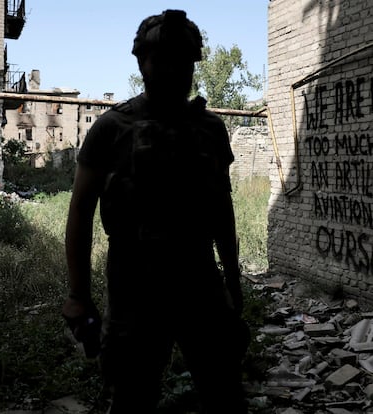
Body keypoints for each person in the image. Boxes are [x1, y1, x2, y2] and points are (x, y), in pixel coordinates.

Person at [62, 9, 249, 414]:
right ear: (141, 62)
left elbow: (221, 207)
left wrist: (232, 279)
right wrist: (77, 296)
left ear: (193, 64)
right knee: (132, 396)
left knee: (224, 392)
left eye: (182, 60)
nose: (171, 69)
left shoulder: (210, 129)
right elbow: (79, 213)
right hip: (134, 285)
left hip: (200, 280)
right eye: (161, 58)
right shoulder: (111, 128)